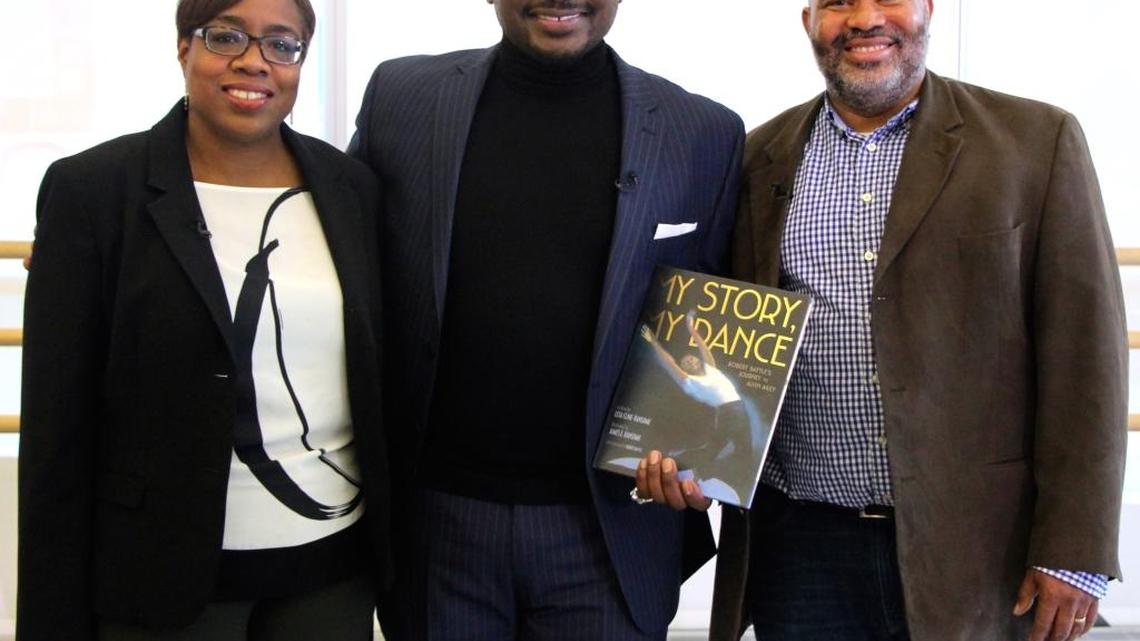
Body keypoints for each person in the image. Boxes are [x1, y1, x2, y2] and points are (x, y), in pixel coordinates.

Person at [638, 1, 1128, 640]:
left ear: (927, 9)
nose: (866, 18)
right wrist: (684, 452)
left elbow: (1087, 361)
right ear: (809, 19)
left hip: (979, 553)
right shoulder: (756, 157)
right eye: (839, 2)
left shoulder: (1035, 143)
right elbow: (722, 338)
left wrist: (1075, 547)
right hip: (800, 548)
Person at [347, 0, 743, 638]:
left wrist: (706, 456)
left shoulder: (704, 131)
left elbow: (720, 318)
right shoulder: (401, 97)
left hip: (612, 530)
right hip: (436, 528)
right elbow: (345, 264)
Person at [17, 0, 391, 639]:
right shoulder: (95, 190)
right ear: (183, 46)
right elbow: (58, 426)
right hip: (161, 573)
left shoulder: (351, 187)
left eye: (283, 44)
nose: (254, 61)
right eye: (226, 37)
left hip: (332, 568)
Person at [639, 312, 757, 499]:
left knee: (721, 448)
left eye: (692, 358)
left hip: (736, 410)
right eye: (686, 362)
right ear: (684, 368)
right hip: (730, 412)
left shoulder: (711, 368)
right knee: (733, 449)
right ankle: (686, 466)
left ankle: (691, 468)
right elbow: (669, 362)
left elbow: (702, 346)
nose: (691, 360)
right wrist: (654, 341)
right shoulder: (689, 382)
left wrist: (690, 326)